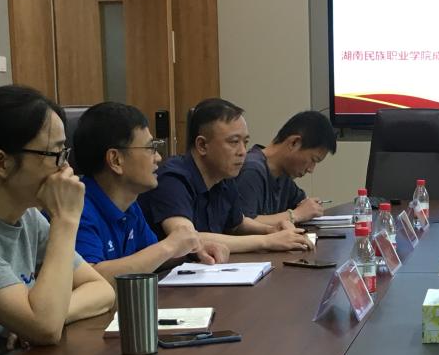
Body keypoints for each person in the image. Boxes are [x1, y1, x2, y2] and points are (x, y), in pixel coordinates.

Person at [0, 85, 114, 355]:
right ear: (1, 163)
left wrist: (46, 315)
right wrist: (65, 219)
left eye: (65, 153)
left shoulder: (27, 216)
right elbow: (45, 328)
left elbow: (101, 290)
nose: (66, 168)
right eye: (55, 154)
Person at [72, 102, 230, 286]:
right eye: (150, 148)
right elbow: (90, 279)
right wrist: (169, 246)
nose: (158, 157)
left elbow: (149, 258)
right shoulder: (76, 208)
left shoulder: (130, 205)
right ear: (116, 160)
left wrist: (190, 251)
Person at [138, 98, 314, 254]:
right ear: (202, 145)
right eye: (234, 142)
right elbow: (186, 237)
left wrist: (271, 230)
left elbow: (238, 224)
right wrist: (266, 241)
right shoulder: (172, 178)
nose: (243, 152)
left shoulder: (223, 177)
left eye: (245, 142)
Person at [234, 110, 336, 226]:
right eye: (313, 160)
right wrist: (296, 214)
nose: (311, 169)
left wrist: (310, 208)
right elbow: (241, 224)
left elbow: (302, 205)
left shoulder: (283, 175)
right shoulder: (251, 170)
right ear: (294, 143)